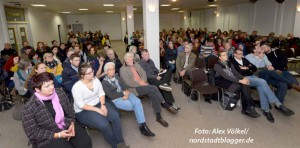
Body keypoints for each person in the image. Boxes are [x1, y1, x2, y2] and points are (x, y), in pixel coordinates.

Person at [22, 72, 92, 148]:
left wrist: (72, 124)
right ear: (37, 89)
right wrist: (58, 135)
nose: (52, 87)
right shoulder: (29, 107)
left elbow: (70, 110)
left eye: (52, 84)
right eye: (47, 86)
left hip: (66, 124)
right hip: (47, 136)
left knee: (86, 142)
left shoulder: (59, 92)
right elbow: (33, 132)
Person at [72, 63, 129, 148]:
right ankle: (115, 145)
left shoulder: (95, 80)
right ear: (82, 75)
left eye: (92, 71)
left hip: (98, 103)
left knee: (115, 117)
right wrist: (98, 110)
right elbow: (81, 105)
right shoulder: (76, 87)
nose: (93, 74)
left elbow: (101, 93)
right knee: (104, 124)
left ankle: (120, 142)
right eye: (89, 73)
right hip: (83, 110)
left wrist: (103, 105)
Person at [230, 49, 294, 122]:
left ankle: (266, 111)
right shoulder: (232, 61)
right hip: (244, 79)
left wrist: (246, 67)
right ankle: (278, 104)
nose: (241, 55)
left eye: (241, 54)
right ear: (234, 54)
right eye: (239, 54)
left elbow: (254, 68)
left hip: (253, 77)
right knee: (263, 81)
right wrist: (248, 67)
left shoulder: (244, 59)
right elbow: (238, 72)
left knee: (261, 87)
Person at [120, 53, 177, 128]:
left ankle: (158, 116)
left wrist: (143, 81)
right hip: (134, 88)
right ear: (125, 60)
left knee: (153, 93)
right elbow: (128, 82)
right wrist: (140, 83)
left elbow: (143, 73)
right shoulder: (123, 69)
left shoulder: (136, 64)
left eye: (132, 58)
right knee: (154, 88)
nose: (131, 59)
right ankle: (165, 104)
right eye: (129, 58)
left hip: (143, 84)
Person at [102, 62, 155, 137]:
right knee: (134, 106)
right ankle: (143, 127)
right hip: (116, 99)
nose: (113, 70)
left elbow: (124, 85)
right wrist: (123, 94)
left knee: (138, 101)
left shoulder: (117, 76)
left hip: (126, 93)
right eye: (111, 69)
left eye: (113, 68)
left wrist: (126, 92)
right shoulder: (104, 83)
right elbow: (111, 96)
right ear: (106, 71)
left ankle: (143, 126)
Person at [214, 51, 260, 118]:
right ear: (220, 57)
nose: (226, 56)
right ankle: (248, 108)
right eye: (223, 55)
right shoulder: (217, 65)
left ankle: (248, 108)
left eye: (226, 54)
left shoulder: (229, 62)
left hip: (230, 79)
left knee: (245, 84)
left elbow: (236, 73)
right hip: (220, 80)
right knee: (240, 86)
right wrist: (240, 81)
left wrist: (244, 78)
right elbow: (226, 77)